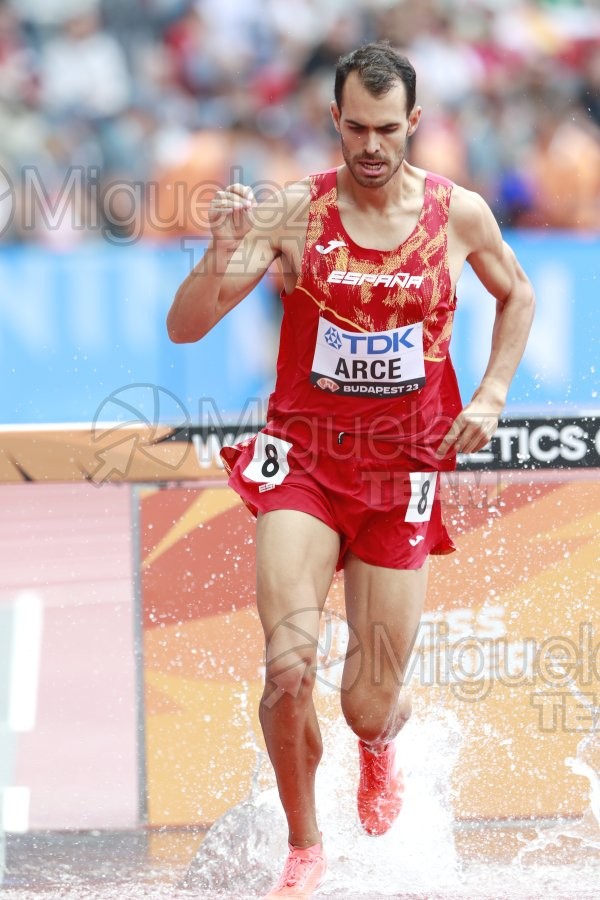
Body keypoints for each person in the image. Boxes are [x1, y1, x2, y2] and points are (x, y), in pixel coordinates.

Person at [167, 42, 535, 900]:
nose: (371, 146)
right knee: (288, 668)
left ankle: (377, 747)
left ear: (414, 123)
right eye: (355, 128)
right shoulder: (292, 214)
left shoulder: (460, 215)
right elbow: (188, 327)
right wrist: (222, 247)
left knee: (370, 700)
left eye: (387, 129)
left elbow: (516, 293)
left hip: (402, 473)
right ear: (335, 121)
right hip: (304, 464)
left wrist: (490, 395)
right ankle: (304, 846)